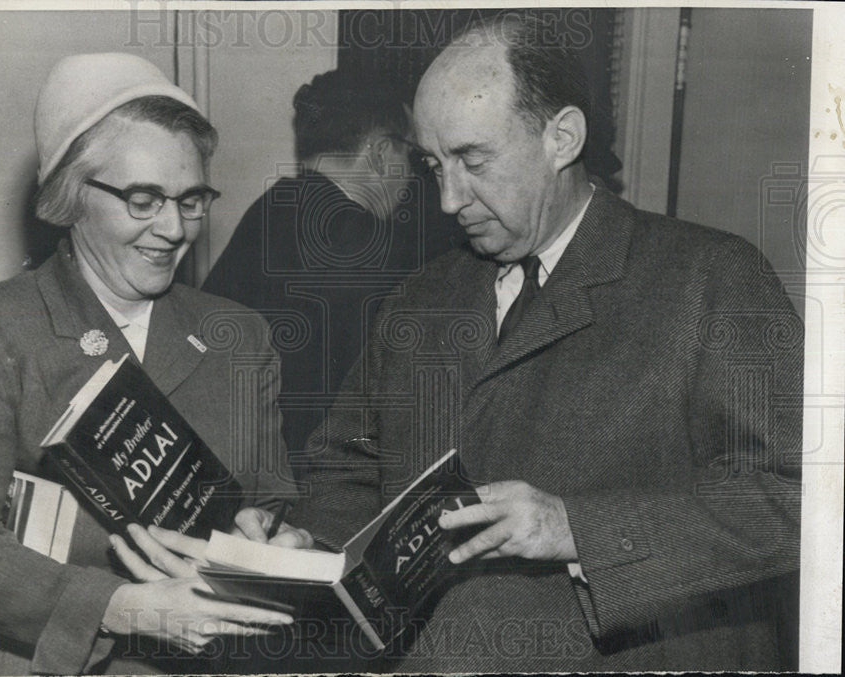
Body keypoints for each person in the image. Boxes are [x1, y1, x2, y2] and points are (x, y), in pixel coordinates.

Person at [232, 14, 803, 672]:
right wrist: (309, 541)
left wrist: (576, 530)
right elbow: (348, 466)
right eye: (432, 165)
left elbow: (793, 498)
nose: (448, 199)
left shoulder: (710, 277)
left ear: (562, 136)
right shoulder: (421, 297)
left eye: (474, 161)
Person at [0, 52, 305, 675]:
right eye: (143, 199)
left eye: (192, 199)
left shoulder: (237, 336)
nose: (174, 228)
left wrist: (273, 540)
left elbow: (270, 494)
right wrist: (125, 607)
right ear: (70, 196)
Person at [202, 69, 462, 459]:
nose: (411, 176)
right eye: (410, 155)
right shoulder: (381, 249)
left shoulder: (268, 211)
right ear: (379, 153)